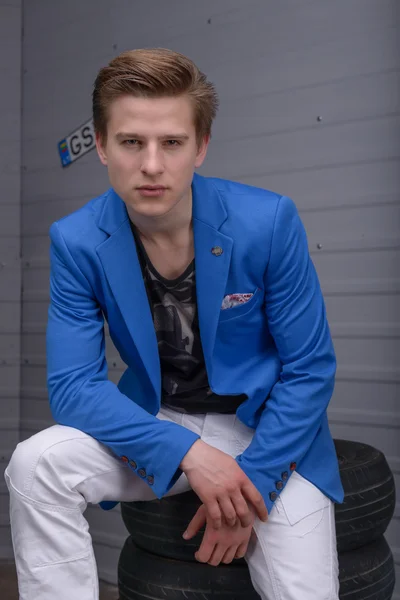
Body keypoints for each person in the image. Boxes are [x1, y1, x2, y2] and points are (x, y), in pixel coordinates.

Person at [4, 48, 344, 599]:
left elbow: (309, 370)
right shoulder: (78, 240)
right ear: (102, 146)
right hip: (158, 421)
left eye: (172, 143)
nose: (152, 165)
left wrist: (249, 487)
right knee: (35, 464)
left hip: (266, 428)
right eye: (132, 142)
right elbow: (73, 386)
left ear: (201, 146)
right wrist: (188, 454)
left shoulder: (268, 221)